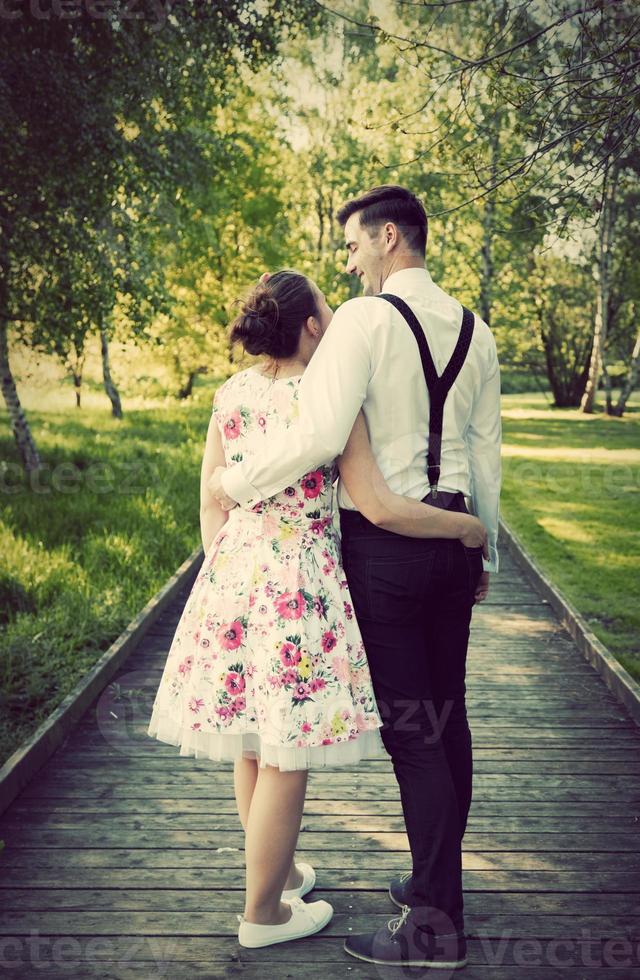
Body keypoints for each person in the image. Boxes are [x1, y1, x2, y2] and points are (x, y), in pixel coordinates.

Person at [148, 266, 490, 953]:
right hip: (296, 578)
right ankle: (264, 913)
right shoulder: (329, 399)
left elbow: (212, 499)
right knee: (286, 750)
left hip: (231, 573)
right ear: (309, 326)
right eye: (328, 310)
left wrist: (225, 581)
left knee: (250, 735)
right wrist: (463, 529)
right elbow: (378, 503)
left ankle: (275, 874)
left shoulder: (230, 393)